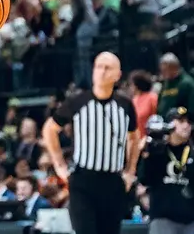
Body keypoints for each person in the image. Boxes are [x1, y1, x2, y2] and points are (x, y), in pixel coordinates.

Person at [42, 52, 140, 234]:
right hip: (83, 180)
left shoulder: (125, 105)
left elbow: (134, 137)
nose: (101, 71)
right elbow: (50, 129)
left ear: (118, 75)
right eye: (98, 66)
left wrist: (130, 171)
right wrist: (59, 164)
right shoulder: (77, 101)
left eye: (107, 67)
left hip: (113, 180)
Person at [139, 107, 194, 234]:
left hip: (190, 219)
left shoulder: (191, 152)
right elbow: (145, 178)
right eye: (181, 121)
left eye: (189, 122)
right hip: (163, 217)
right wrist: (148, 155)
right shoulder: (158, 149)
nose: (186, 125)